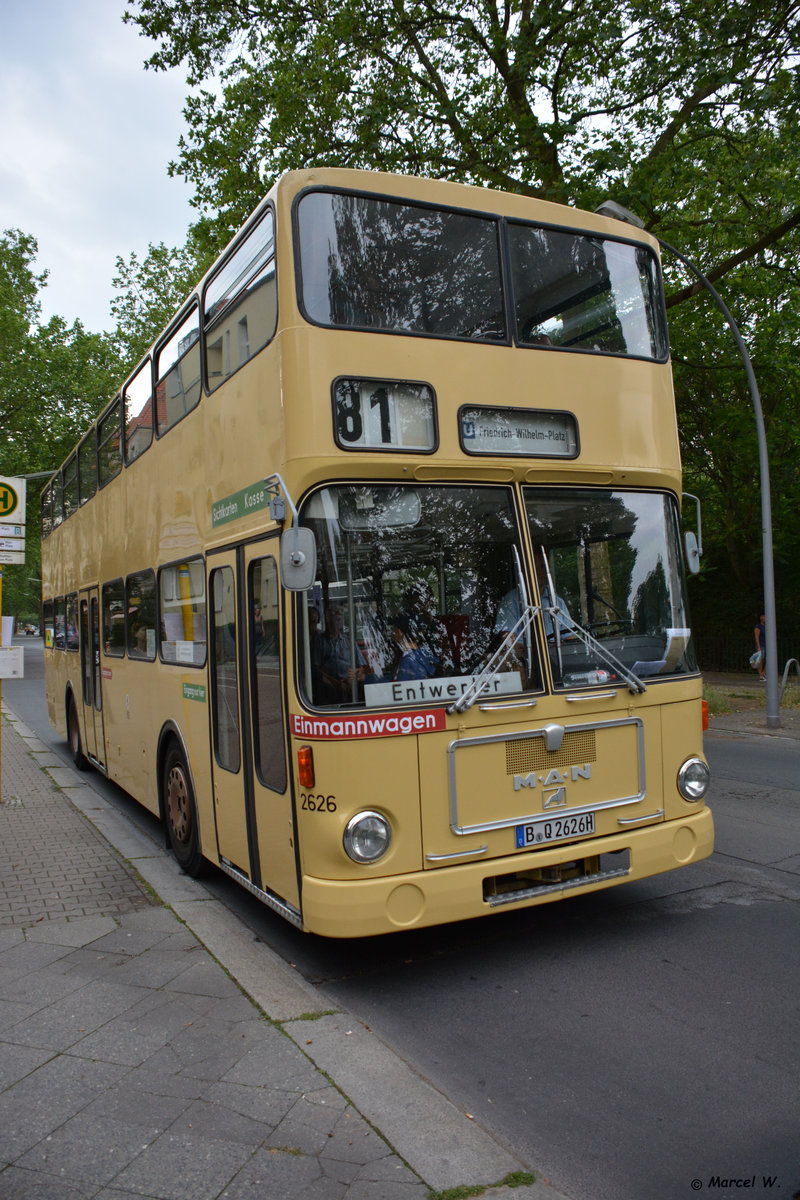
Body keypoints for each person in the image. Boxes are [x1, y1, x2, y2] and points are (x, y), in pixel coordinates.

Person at [312, 604, 366, 701]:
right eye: (336, 619)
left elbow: (361, 668)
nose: (339, 622)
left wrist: (353, 677)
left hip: (350, 685)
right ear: (328, 620)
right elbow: (316, 669)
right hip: (329, 686)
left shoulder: (349, 641)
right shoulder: (319, 641)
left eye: (340, 619)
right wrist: (336, 684)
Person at [392, 612, 438, 681]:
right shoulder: (424, 655)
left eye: (394, 630)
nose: (393, 634)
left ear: (400, 632)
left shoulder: (407, 662)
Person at [754, 612, 767, 681]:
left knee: (770, 659)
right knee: (761, 660)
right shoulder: (758, 626)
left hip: (767, 645)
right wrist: (758, 647)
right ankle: (760, 675)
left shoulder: (768, 626)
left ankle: (763, 673)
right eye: (762, 616)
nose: (764, 618)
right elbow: (757, 637)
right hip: (761, 645)